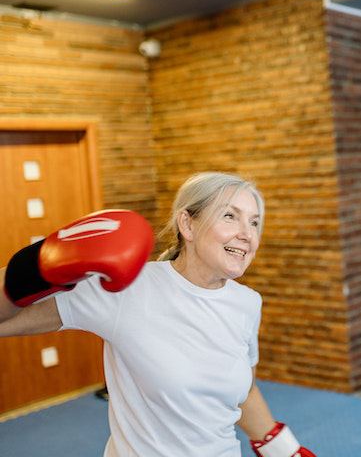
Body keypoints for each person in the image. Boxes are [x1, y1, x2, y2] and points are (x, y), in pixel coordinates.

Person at [1, 172, 315, 457]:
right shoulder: (129, 289)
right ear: (188, 224)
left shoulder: (247, 303)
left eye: (255, 222)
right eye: (230, 216)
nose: (247, 234)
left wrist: (284, 450)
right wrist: (36, 265)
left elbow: (242, 390)